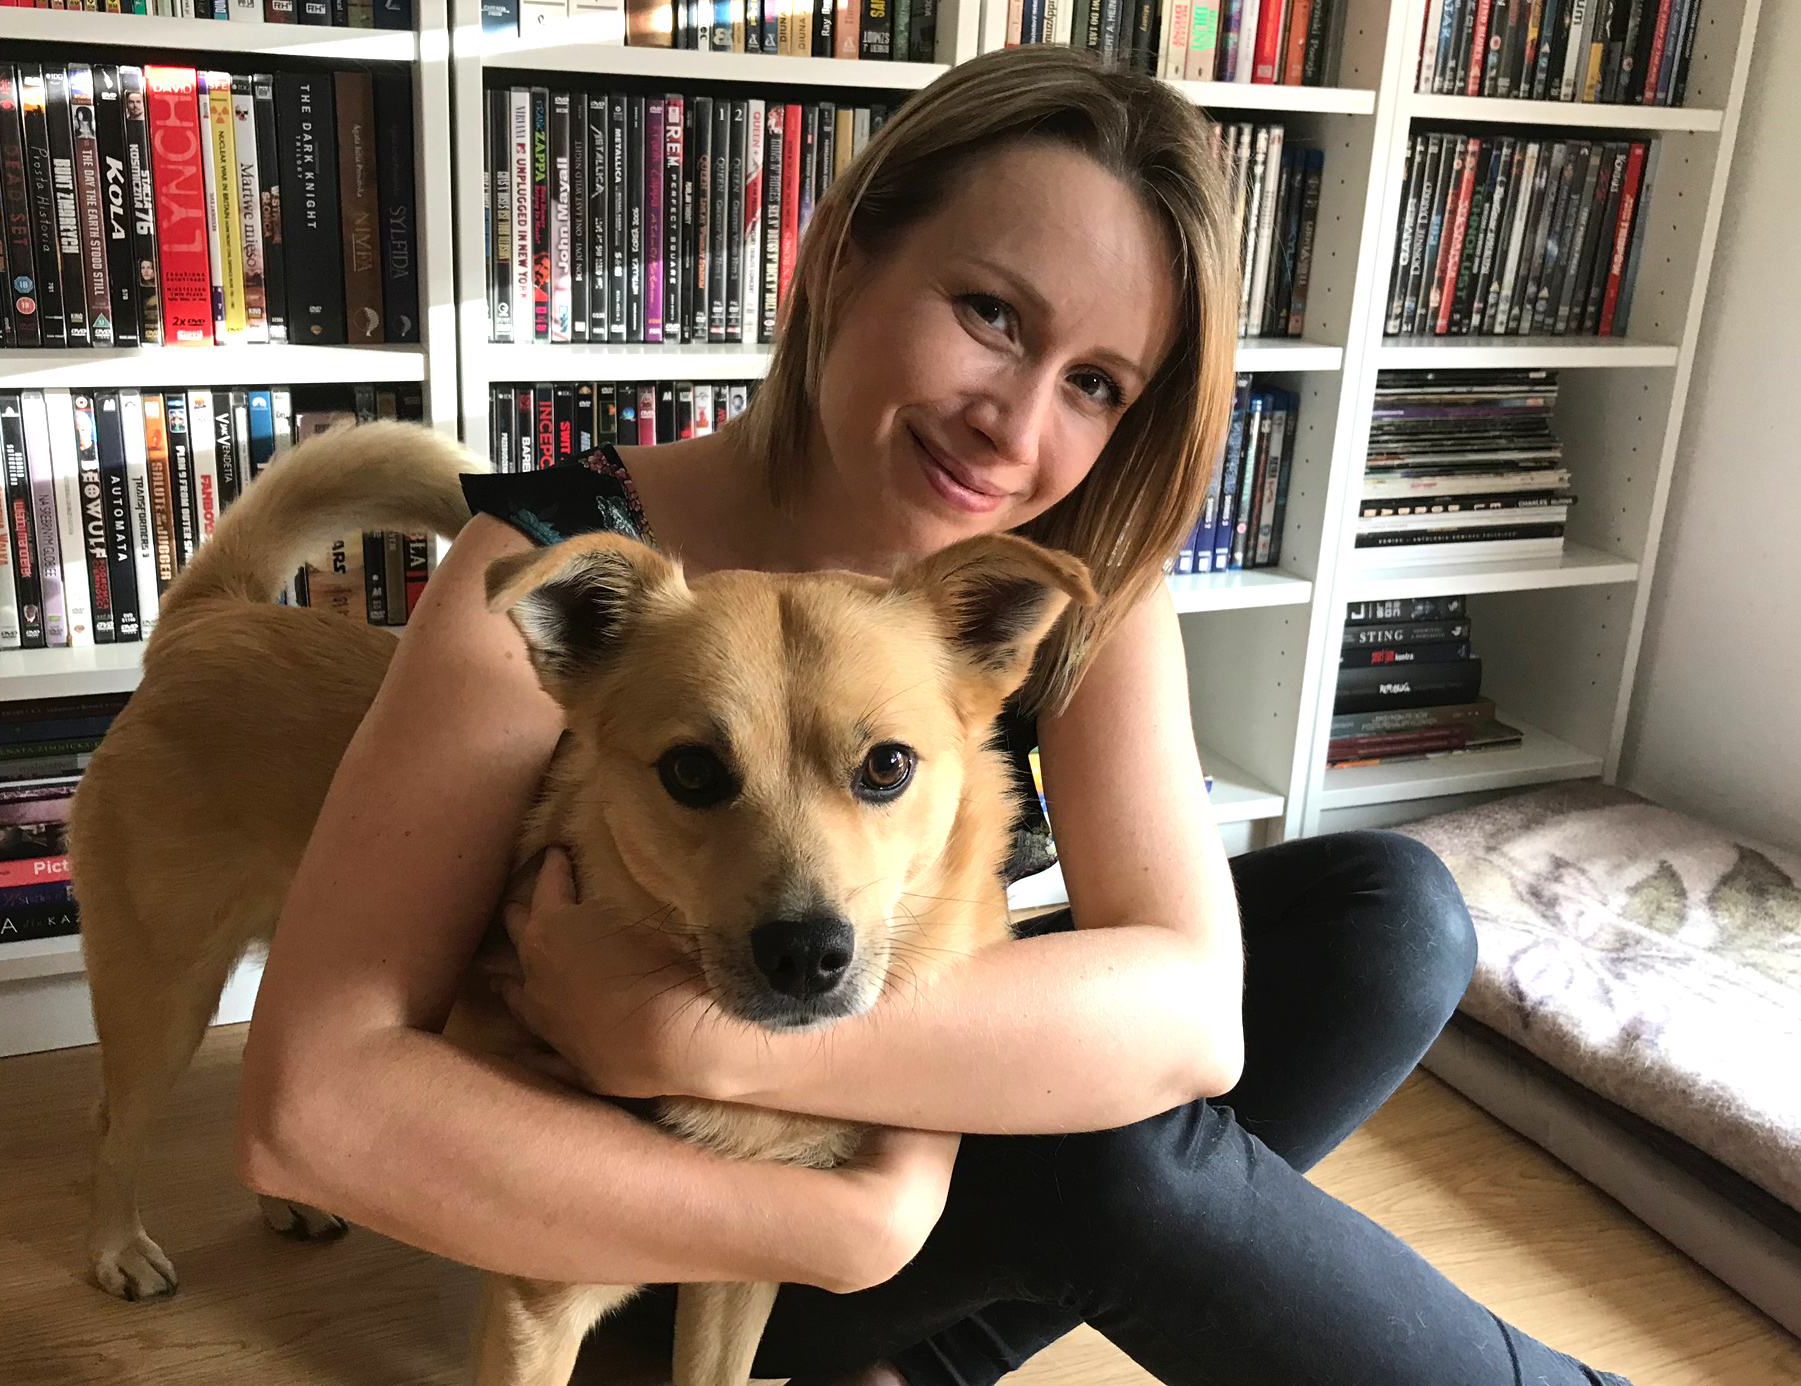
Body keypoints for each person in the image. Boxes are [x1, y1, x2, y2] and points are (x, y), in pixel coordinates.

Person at [236, 45, 1636, 1386]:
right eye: (992, 315)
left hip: (805, 1125)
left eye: (1094, 383)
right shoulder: (560, 564)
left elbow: (1198, 1017)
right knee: (1112, 1153)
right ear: (841, 257)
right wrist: (835, 1222)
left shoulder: (1050, 577)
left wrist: (693, 1045)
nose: (1012, 427)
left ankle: (917, 1362)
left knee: (1388, 918)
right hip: (626, 1210)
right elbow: (311, 1109)